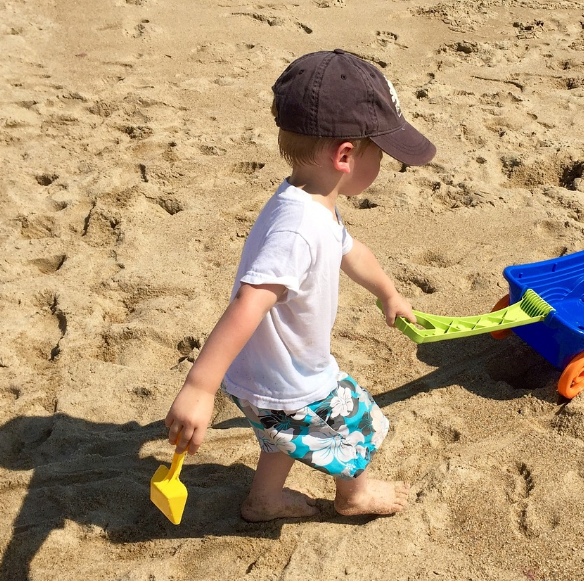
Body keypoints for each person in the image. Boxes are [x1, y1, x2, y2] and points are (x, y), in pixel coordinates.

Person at [164, 49, 436, 521]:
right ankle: (355, 496)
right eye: (382, 156)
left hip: (266, 373)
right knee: (357, 424)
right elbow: (249, 302)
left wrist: (387, 292)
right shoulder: (297, 229)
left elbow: (350, 250)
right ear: (347, 155)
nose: (385, 168)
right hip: (291, 377)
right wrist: (199, 387)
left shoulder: (306, 198)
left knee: (281, 432)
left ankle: (264, 500)